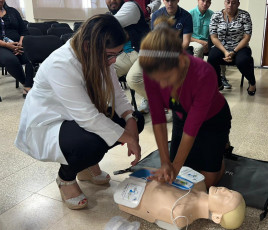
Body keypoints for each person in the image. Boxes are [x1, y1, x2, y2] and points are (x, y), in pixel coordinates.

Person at [15, 14, 145, 210]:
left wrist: (130, 119)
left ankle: (86, 165)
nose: (113, 62)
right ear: (87, 46)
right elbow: (88, 118)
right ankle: (65, 178)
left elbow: (117, 94)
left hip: (77, 118)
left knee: (137, 120)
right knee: (91, 141)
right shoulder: (62, 64)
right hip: (49, 125)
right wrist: (129, 138)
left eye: (116, 55)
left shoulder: (99, 54)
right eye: (110, 55)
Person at [139, 17, 232, 189]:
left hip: (213, 119)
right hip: (182, 115)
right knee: (180, 174)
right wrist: (166, 162)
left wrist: (175, 166)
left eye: (166, 78)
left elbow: (192, 129)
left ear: (181, 60)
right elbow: (158, 119)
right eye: (157, 80)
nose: (163, 85)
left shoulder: (204, 74)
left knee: (206, 183)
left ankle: (221, 151)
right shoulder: (151, 68)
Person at [126, 0, 194, 114]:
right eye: (167, 0)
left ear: (178, 0)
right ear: (163, 1)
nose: (170, 3)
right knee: (132, 78)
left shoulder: (186, 16)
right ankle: (157, 100)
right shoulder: (156, 15)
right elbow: (155, 39)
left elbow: (186, 42)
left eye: (173, 0)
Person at [118, 180, 246, 229]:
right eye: (230, 191)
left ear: (217, 217)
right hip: (137, 180)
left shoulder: (179, 215)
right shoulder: (199, 182)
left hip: (128, 194)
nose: (225, 190)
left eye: (226, 198)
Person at [207, 0, 256, 95]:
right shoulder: (216, 15)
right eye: (228, 2)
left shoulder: (244, 15)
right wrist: (225, 51)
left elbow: (247, 37)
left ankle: (252, 82)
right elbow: (213, 37)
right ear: (224, 2)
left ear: (238, 4)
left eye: (233, 3)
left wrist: (234, 51)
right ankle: (218, 83)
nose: (230, 5)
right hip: (221, 46)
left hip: (240, 47)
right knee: (212, 58)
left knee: (243, 61)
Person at [0, 0, 34, 98]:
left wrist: (20, 43)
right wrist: (7, 45)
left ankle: (28, 86)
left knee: (30, 57)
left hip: (18, 44)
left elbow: (24, 31)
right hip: (1, 46)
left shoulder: (13, 11)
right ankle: (25, 83)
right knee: (10, 59)